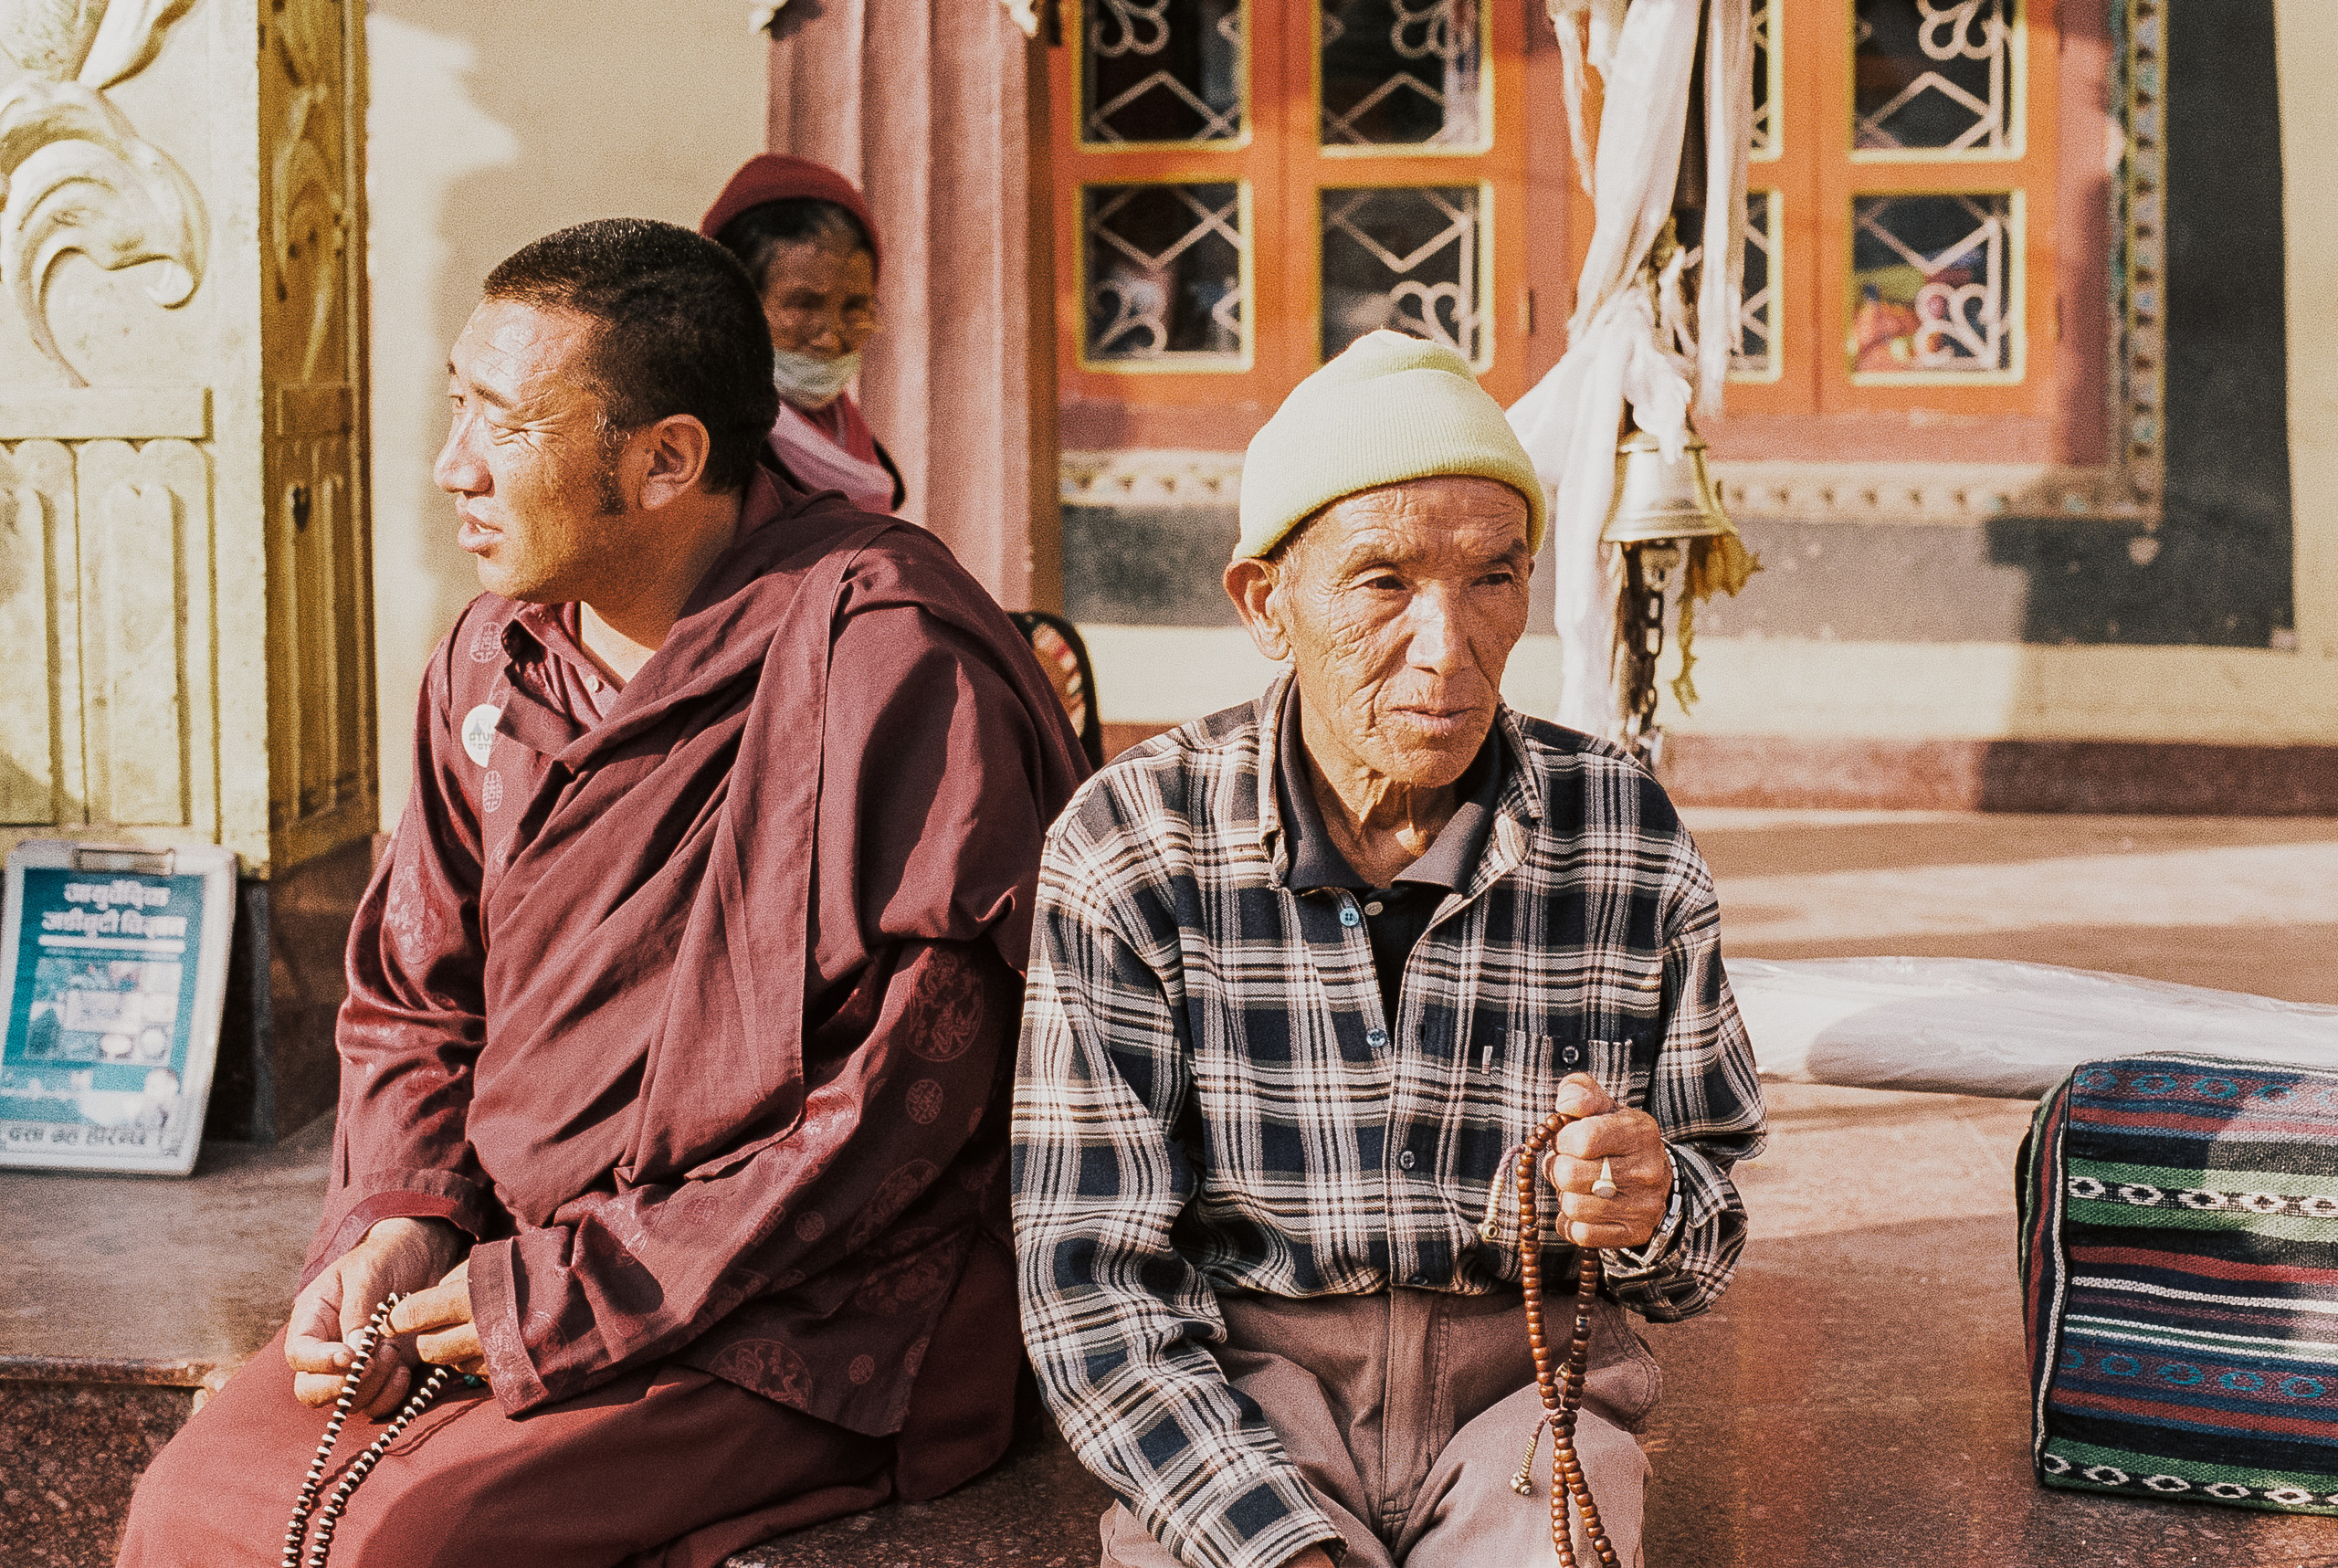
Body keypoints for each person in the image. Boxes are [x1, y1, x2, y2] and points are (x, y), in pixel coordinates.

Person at [119, 218, 1088, 1567]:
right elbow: (413, 996)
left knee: (409, 1545)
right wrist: (404, 1216)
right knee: (188, 1512)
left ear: (667, 458)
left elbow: (907, 1104)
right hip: (506, 1258)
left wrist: (589, 1289)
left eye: (503, 426)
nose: (452, 467)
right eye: (456, 406)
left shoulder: (884, 660)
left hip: (804, 1306)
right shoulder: (488, 660)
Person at [1012, 331, 1766, 1568]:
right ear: (1269, 603)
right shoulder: (1132, 844)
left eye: (1491, 577)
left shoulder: (1623, 834)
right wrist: (1270, 1543)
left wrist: (1649, 1201)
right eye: (1383, 583)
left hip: (1529, 1402)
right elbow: (1086, 1284)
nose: (1447, 642)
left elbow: (1706, 1233)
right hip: (1243, 1391)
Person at [702, 153, 902, 515]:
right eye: (804, 305)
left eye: (854, 307)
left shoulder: (853, 439)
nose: (830, 338)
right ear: (734, 305)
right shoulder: (707, 452)